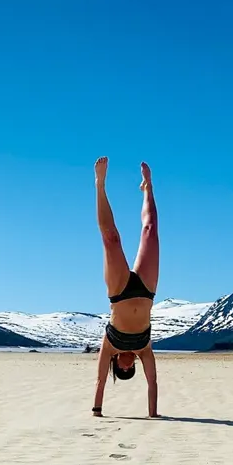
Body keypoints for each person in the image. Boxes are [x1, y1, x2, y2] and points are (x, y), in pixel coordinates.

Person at [92, 157, 159, 418]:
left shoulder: (109, 346)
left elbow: (99, 383)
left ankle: (100, 185)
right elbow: (152, 382)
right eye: (131, 370)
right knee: (150, 231)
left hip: (119, 292)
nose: (129, 366)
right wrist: (153, 414)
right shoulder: (145, 349)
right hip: (146, 291)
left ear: (117, 365)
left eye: (124, 370)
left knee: (111, 239)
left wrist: (97, 411)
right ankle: (148, 189)